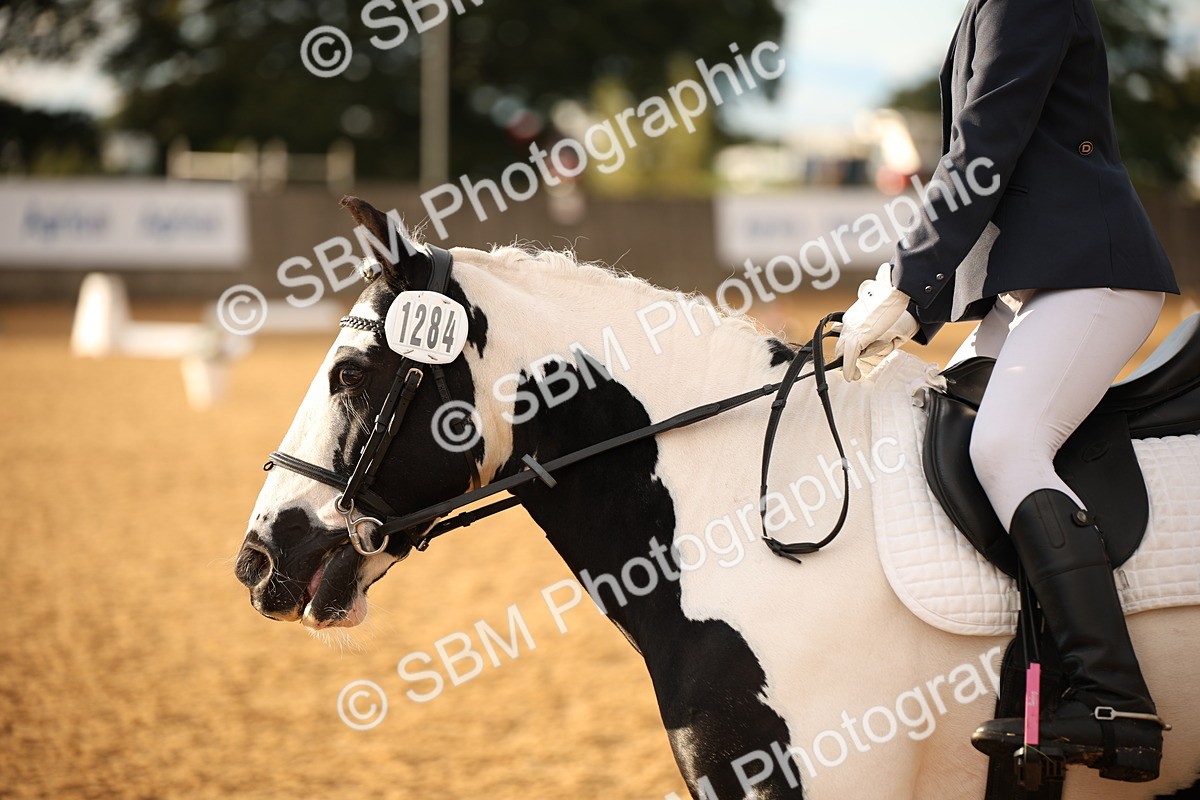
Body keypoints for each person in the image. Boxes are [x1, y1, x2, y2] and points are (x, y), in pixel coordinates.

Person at [835, 0, 1179, 784]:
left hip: (1094, 273)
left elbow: (984, 147)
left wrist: (905, 285)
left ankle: (1112, 695)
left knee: (1005, 443)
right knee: (943, 426)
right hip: (1032, 288)